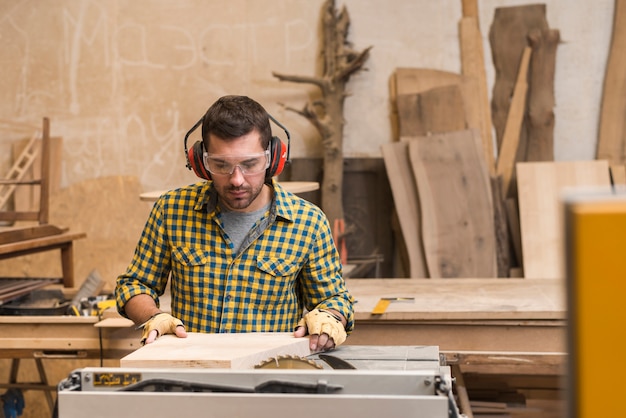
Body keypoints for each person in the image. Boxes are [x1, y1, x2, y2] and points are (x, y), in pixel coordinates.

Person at [115, 95, 354, 352]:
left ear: (273, 158)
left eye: (250, 164)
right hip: (193, 372)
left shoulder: (308, 222)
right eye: (221, 165)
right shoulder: (171, 211)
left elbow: (335, 300)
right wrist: (153, 317)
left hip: (270, 376)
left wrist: (329, 318)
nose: (237, 180)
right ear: (201, 163)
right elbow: (135, 285)